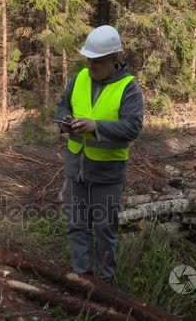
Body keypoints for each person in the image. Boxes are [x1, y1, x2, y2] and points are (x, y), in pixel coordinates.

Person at [55, 25, 144, 284]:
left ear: (114, 59)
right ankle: (82, 278)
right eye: (89, 60)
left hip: (107, 173)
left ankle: (105, 285)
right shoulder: (79, 78)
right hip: (76, 167)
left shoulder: (129, 88)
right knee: (76, 225)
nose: (91, 66)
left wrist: (96, 127)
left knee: (105, 230)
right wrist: (63, 120)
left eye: (98, 62)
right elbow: (63, 104)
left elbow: (132, 127)